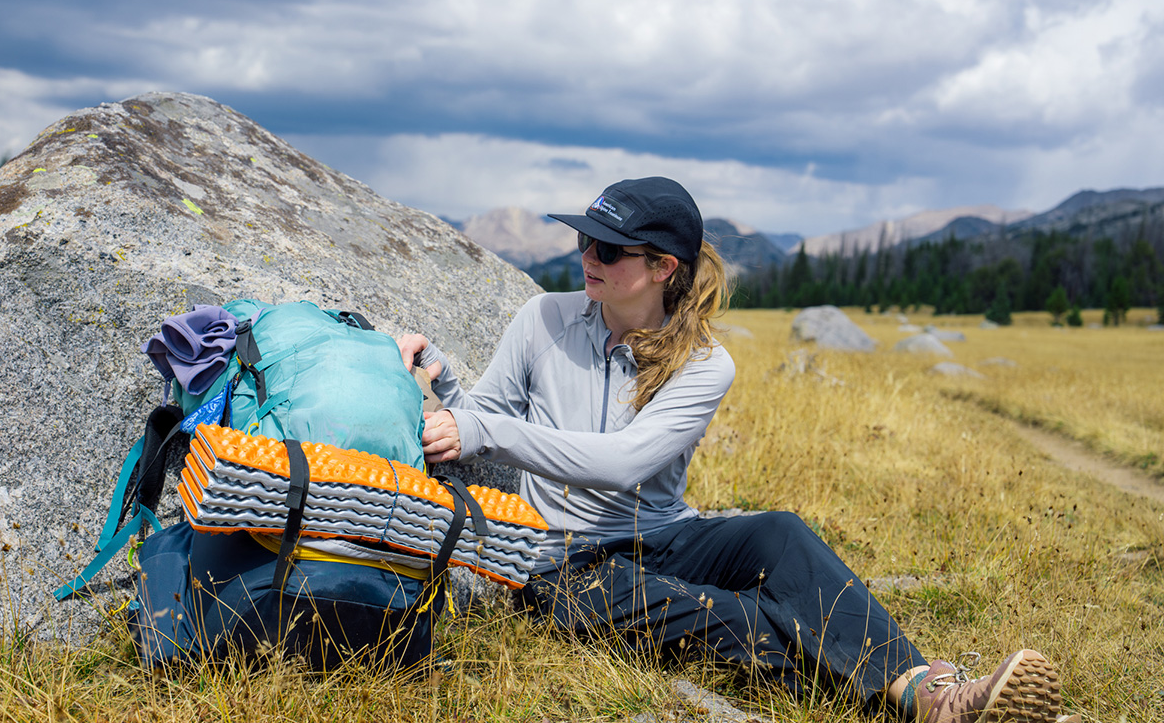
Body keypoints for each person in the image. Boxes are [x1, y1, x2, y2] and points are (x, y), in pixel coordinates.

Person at [397, 177, 1071, 722]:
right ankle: (934, 699)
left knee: (779, 534)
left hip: (665, 536)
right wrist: (440, 378)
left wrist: (487, 429)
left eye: (608, 249)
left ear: (663, 268)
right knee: (744, 621)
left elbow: (624, 464)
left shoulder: (705, 363)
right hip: (560, 562)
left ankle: (930, 691)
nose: (587, 259)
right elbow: (485, 416)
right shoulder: (542, 317)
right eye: (584, 241)